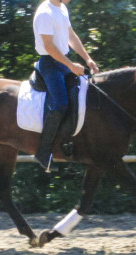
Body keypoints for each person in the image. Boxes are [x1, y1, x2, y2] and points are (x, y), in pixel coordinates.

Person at [33, 0, 99, 172]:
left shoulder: (61, 9)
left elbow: (71, 36)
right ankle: (43, 151)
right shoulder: (45, 12)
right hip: (50, 64)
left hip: (62, 62)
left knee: (83, 95)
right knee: (60, 104)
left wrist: (87, 58)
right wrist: (71, 66)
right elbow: (49, 46)